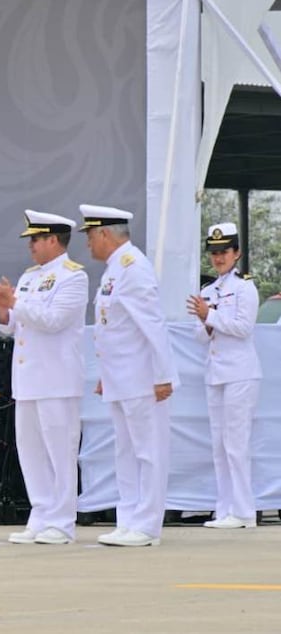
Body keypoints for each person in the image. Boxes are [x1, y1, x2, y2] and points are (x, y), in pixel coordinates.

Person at [0, 210, 88, 545]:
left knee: (59, 451)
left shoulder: (74, 276)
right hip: (28, 379)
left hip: (57, 378)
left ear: (54, 240)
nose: (31, 246)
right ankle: (40, 515)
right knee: (30, 450)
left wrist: (15, 301)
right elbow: (12, 325)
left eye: (36, 239)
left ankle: (62, 521)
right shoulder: (29, 276)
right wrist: (3, 307)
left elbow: (54, 320)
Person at [80, 204, 177, 547]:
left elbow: (152, 324)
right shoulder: (113, 270)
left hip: (142, 378)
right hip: (121, 378)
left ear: (105, 233)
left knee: (148, 452)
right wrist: (106, 374)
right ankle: (128, 519)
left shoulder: (133, 268)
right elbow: (114, 329)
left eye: (90, 235)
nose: (88, 243)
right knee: (125, 452)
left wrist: (164, 375)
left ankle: (147, 525)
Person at [187, 222, 261, 530]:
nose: (218, 258)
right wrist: (206, 322)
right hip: (216, 373)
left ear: (237, 253)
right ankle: (225, 507)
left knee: (236, 444)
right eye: (214, 253)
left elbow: (244, 328)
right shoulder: (207, 291)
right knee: (219, 445)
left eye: (224, 252)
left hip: (240, 373)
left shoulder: (245, 287)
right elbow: (200, 337)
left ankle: (243, 510)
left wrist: (210, 316)